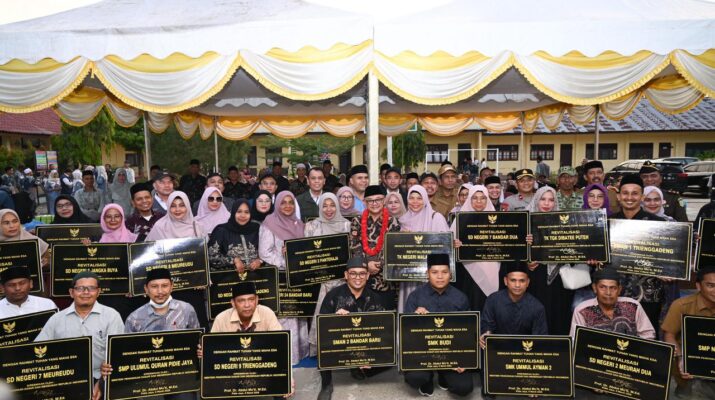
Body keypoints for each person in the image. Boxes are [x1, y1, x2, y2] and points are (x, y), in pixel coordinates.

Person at [35, 271, 124, 399]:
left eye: (91, 288)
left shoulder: (111, 316)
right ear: (71, 292)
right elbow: (38, 350)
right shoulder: (56, 319)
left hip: (101, 378)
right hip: (64, 381)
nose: (86, 292)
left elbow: (117, 355)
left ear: (98, 292)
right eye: (80, 288)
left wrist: (101, 384)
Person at [317, 256, 395, 400]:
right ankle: (326, 384)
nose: (357, 278)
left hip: (364, 342)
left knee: (390, 359)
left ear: (368, 275)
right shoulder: (333, 296)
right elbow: (322, 328)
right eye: (353, 273)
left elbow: (382, 332)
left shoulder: (376, 298)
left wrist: (370, 354)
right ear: (346, 275)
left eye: (362, 273)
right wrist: (334, 320)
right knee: (323, 348)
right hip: (339, 342)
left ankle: (356, 367)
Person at [403, 253, 472, 397]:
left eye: (444, 272)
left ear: (450, 274)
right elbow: (407, 334)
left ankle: (443, 374)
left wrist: (463, 359)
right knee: (415, 378)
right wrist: (414, 318)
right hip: (423, 353)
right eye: (434, 272)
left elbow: (467, 334)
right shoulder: (415, 296)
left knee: (464, 387)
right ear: (427, 274)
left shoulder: (461, 298)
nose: (440, 276)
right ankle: (427, 379)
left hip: (451, 353)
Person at [610, 174, 667, 331]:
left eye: (635, 193)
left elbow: (667, 257)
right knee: (615, 334)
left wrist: (669, 270)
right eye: (625, 193)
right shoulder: (608, 222)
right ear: (618, 196)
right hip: (614, 292)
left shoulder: (658, 224)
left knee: (647, 335)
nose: (629, 197)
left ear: (642, 197)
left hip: (648, 293)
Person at [145, 191, 209, 328]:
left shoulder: (197, 226)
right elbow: (149, 255)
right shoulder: (160, 226)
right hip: (167, 288)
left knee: (195, 325)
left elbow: (204, 255)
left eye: (182, 205)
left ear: (188, 206)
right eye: (173, 206)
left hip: (193, 286)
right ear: (168, 207)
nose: (178, 209)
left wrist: (203, 278)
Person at [259, 191, 308, 364]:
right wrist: (285, 262)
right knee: (285, 315)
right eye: (283, 202)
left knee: (299, 311)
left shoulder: (299, 224)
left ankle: (300, 352)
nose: (287, 206)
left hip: (297, 277)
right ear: (277, 204)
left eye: (291, 202)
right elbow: (264, 252)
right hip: (279, 277)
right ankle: (286, 355)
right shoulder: (269, 223)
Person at [305, 193, 351, 356]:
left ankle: (342, 349)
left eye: (332, 205)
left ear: (337, 206)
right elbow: (305, 253)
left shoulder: (346, 225)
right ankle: (322, 350)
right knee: (321, 313)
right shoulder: (311, 226)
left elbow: (351, 252)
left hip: (342, 281)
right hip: (320, 282)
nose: (329, 209)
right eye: (324, 205)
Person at [525, 186, 574, 335]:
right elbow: (514, 253)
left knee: (557, 315)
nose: (547, 203)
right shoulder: (525, 221)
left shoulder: (564, 222)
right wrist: (527, 259)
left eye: (551, 200)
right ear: (536, 200)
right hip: (535, 276)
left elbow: (572, 250)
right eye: (543, 199)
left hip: (559, 277)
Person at [661, 266, 715, 398]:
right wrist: (681, 358)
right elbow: (669, 335)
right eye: (710, 285)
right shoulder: (681, 305)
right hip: (692, 369)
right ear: (698, 286)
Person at [398, 185, 450, 312]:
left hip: (432, 276)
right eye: (411, 198)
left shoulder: (436, 218)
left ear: (425, 199)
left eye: (419, 198)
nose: (415, 202)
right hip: (409, 276)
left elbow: (445, 246)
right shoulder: (404, 220)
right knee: (410, 308)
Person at [452, 185, 501, 312]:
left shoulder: (497, 220)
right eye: (474, 198)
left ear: (487, 199)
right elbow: (449, 249)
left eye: (483, 198)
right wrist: (453, 245)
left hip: (491, 269)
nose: (479, 201)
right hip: (466, 273)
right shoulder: (460, 219)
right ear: (469, 199)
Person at [570, 268, 655, 338]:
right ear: (595, 288)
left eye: (613, 288)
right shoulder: (582, 310)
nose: (608, 292)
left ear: (619, 289)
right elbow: (575, 341)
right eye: (602, 287)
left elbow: (648, 335)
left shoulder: (633, 306)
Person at [350, 185, 401, 294]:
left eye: (378, 199)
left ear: (384, 201)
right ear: (365, 202)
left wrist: (379, 264)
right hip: (362, 277)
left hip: (385, 280)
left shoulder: (393, 222)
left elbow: (393, 249)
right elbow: (354, 246)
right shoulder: (357, 221)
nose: (374, 203)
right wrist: (367, 264)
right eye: (370, 200)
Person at [124, 268, 200, 333]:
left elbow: (197, 339)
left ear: (171, 286)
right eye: (154, 286)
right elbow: (128, 345)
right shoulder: (134, 318)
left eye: (164, 286)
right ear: (146, 289)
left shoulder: (186, 310)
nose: (160, 291)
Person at [208, 199, 262, 275]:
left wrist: (260, 261)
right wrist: (233, 260)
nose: (243, 215)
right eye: (239, 211)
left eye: (246, 212)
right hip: (227, 277)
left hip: (257, 276)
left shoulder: (257, 229)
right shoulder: (221, 231)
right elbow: (211, 257)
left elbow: (268, 251)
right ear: (233, 213)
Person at [210, 281, 282, 332]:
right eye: (241, 301)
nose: (247, 305)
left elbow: (280, 343)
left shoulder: (267, 314)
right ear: (233, 303)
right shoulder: (221, 319)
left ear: (257, 300)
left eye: (251, 299)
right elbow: (212, 346)